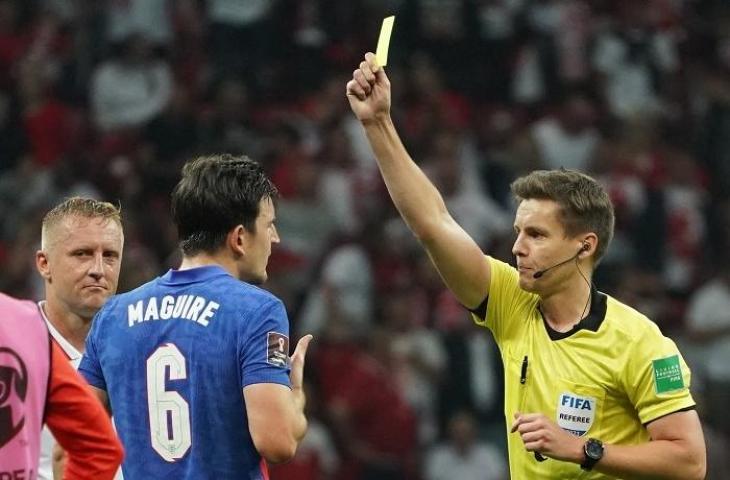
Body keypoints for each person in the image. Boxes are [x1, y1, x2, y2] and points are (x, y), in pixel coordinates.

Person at [345, 52, 706, 479]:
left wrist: (582, 449)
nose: (517, 247)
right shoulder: (510, 302)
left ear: (584, 246)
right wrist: (377, 123)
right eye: (518, 232)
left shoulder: (641, 343)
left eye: (536, 235)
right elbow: (433, 225)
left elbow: (689, 460)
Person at [78, 154, 313, 479]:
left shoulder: (112, 316)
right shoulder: (258, 311)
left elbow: (77, 435)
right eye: (269, 225)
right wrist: (296, 399)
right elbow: (278, 442)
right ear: (240, 238)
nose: (275, 239)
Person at [34, 197, 125, 480]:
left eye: (110, 255)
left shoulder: (143, 346)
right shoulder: (15, 349)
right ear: (44, 263)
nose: (98, 269)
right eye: (82, 253)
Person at [0, 292, 124, 479]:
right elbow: (99, 447)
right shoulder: (26, 324)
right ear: (43, 264)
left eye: (110, 260)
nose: (97, 270)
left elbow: (96, 448)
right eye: (81, 259)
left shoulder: (30, 326)